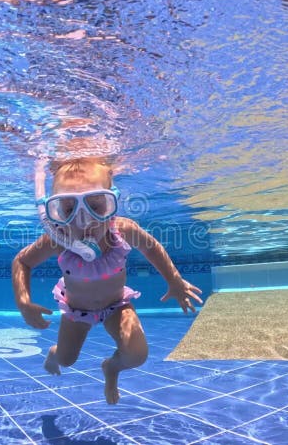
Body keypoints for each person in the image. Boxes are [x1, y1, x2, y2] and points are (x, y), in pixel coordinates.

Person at [12, 155, 204, 404]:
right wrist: (23, 302)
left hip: (117, 306)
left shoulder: (123, 230)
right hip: (76, 311)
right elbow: (22, 261)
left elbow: (152, 248)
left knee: (136, 355)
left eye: (96, 205)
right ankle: (54, 355)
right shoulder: (57, 240)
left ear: (112, 202)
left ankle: (111, 368)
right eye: (69, 209)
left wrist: (174, 280)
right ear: (54, 212)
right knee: (66, 359)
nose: (84, 220)